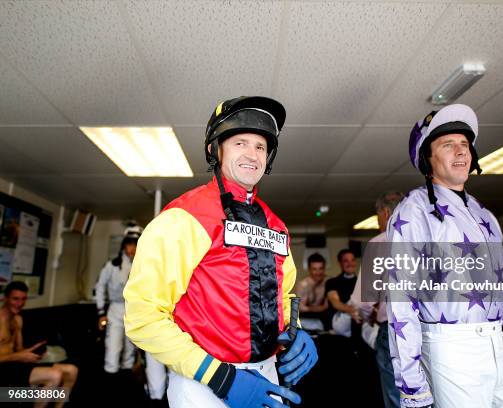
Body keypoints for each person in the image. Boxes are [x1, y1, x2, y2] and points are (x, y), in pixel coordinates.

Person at [123, 96, 317, 408]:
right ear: (216, 149)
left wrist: (294, 332)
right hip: (205, 381)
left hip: (267, 376)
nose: (252, 154)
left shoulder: (276, 226)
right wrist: (222, 378)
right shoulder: (183, 217)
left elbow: (284, 296)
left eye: (260, 146)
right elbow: (142, 316)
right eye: (240, 142)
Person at [386, 104, 503, 408]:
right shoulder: (413, 211)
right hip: (451, 349)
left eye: (464, 144)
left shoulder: (482, 212)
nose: (461, 152)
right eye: (448, 145)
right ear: (427, 159)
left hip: (496, 344)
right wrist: (412, 386)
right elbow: (401, 302)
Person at [350, 190, 404, 408]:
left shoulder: (380, 242)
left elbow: (363, 301)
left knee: (395, 392)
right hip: (427, 329)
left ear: (386, 212)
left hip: (392, 329)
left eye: (378, 216)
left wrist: (367, 318)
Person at [0, 281, 78, 407]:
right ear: (5, 298)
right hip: (3, 369)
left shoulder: (17, 320)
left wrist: (31, 353)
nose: (20, 303)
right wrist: (17, 356)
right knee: (54, 376)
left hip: (14, 365)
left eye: (23, 299)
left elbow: (19, 350)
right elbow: (16, 356)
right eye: (15, 299)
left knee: (71, 370)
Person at [95, 225, 142, 375]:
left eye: (136, 244)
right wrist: (101, 312)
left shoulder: (143, 266)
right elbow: (100, 286)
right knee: (113, 350)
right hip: (115, 310)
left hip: (134, 311)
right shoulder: (112, 265)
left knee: (129, 352)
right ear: (124, 245)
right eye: (129, 244)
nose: (132, 248)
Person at [325, 248, 360, 337]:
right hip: (339, 320)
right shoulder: (332, 282)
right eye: (346, 261)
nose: (350, 263)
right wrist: (354, 311)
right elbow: (335, 303)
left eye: (352, 260)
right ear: (340, 263)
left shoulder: (361, 282)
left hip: (358, 319)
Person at [295, 253, 328, 332]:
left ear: (324, 269)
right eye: (314, 269)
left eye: (320, 268)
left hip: (322, 319)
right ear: (309, 269)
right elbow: (300, 308)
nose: (318, 272)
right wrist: (320, 308)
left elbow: (328, 306)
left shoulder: (328, 282)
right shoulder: (303, 284)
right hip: (304, 319)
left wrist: (310, 308)